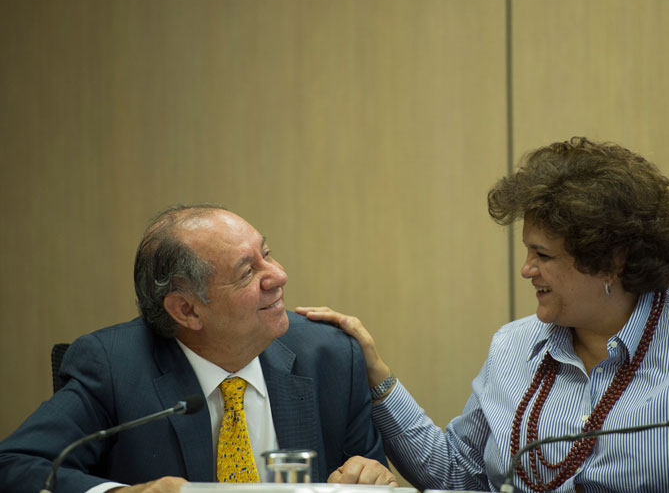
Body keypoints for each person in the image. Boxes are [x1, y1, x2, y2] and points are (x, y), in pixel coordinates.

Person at [298, 138, 669, 493]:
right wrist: (377, 376)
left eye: (543, 255)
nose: (526, 270)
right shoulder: (513, 346)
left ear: (612, 261)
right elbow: (457, 475)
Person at [0, 205, 396, 493]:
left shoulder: (329, 356)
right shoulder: (114, 367)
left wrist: (374, 478)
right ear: (187, 310)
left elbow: (369, 474)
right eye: (248, 271)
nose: (278, 275)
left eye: (267, 254)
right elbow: (15, 464)